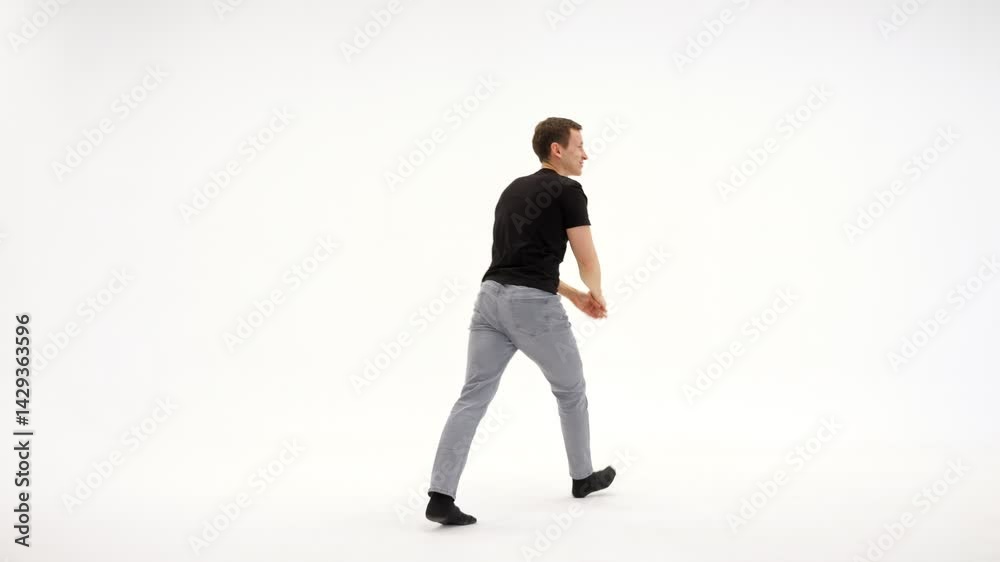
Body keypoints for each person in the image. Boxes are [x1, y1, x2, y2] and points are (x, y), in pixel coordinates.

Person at [424, 117, 616, 526]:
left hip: (489, 300)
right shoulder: (569, 191)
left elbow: (520, 262)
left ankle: (440, 496)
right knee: (571, 390)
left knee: (472, 396)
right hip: (533, 307)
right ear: (556, 150)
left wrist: (574, 295)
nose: (585, 154)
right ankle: (582, 477)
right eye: (579, 146)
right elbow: (586, 258)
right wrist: (595, 290)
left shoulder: (512, 189)